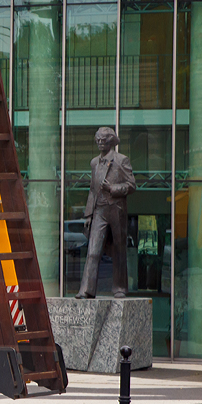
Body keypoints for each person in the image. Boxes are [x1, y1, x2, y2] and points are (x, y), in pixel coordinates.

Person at [76, 128, 136, 299]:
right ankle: (87, 289)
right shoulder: (94, 163)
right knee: (93, 250)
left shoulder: (121, 160)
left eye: (104, 140)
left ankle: (120, 288)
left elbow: (132, 185)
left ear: (111, 141)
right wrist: (88, 214)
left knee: (119, 249)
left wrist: (113, 188)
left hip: (116, 209)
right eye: (98, 140)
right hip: (100, 210)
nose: (100, 143)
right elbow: (92, 191)